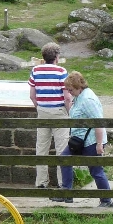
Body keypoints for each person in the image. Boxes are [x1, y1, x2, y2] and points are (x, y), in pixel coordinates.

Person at [52, 72, 113, 207]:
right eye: (68, 90)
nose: (69, 92)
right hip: (79, 140)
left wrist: (99, 144)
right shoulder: (80, 96)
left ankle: (106, 200)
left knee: (96, 171)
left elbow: (99, 122)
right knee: (65, 159)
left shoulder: (87, 100)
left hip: (92, 141)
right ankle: (67, 193)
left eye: (71, 90)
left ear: (78, 86)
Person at [29, 43, 71, 189]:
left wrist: (39, 107)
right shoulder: (61, 71)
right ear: (57, 57)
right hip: (59, 111)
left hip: (43, 111)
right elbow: (67, 97)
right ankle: (62, 183)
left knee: (41, 148)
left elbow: (32, 95)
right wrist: (69, 112)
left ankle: (41, 182)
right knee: (62, 148)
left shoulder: (35, 70)